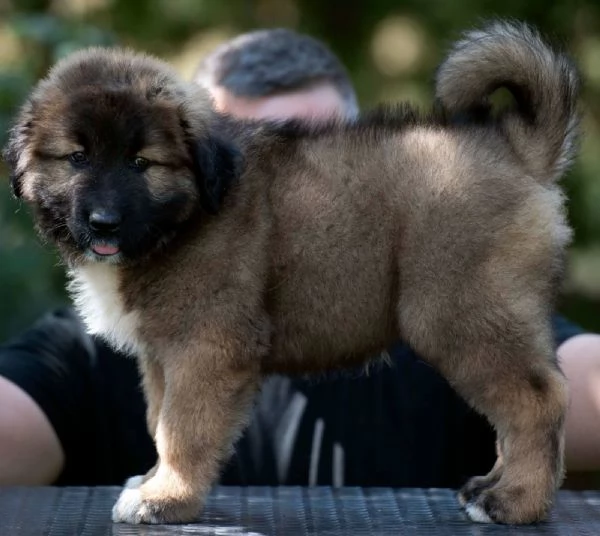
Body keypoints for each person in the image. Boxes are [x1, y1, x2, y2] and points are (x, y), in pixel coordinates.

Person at [0, 28, 599, 489]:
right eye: (252, 161)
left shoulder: (438, 270)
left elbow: (575, 375)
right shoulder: (89, 345)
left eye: (311, 163)